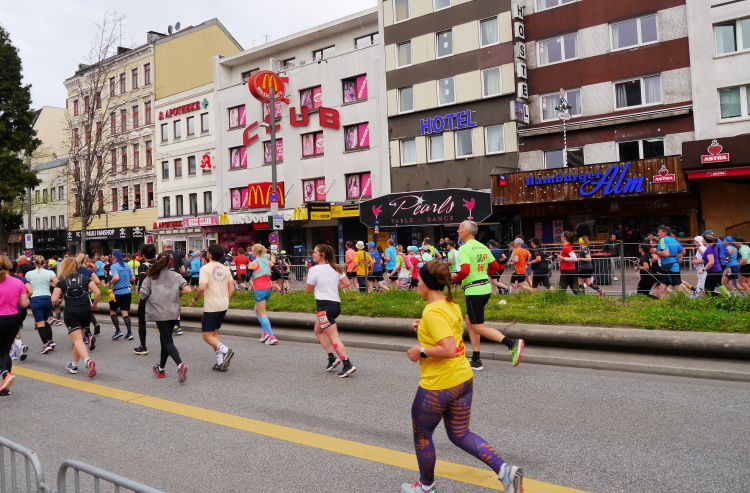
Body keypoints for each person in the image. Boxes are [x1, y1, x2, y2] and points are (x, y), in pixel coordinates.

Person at [401, 260, 523, 493]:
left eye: (419, 280)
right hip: (462, 380)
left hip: (439, 385)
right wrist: (423, 327)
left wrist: (421, 351)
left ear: (427, 283)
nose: (417, 283)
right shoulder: (450, 304)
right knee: (460, 434)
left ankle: (426, 487)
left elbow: (447, 349)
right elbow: (447, 332)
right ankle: (505, 472)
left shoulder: (432, 311)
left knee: (422, 435)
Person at [454, 221, 524, 371]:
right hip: (485, 288)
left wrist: (453, 279)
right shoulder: (483, 246)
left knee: (478, 326)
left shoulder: (464, 248)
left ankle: (512, 344)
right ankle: (476, 359)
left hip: (474, 290)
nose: (458, 230)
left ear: (467, 231)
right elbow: (495, 266)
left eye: (460, 228)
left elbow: (465, 271)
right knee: (470, 322)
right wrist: (482, 275)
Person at [305, 244, 356, 377]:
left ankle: (347, 364)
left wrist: (321, 286)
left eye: (315, 252)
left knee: (334, 337)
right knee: (318, 331)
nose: (313, 254)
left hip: (324, 308)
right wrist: (332, 286)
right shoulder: (335, 268)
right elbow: (346, 283)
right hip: (335, 306)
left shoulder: (314, 270)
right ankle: (331, 357)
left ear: (322, 255)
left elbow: (308, 290)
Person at [139, 253, 191, 383]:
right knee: (165, 340)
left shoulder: (151, 276)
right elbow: (188, 290)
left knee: (167, 341)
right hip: (174, 312)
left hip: (159, 312)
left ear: (157, 261)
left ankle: (180, 365)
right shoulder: (176, 275)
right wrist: (174, 292)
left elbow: (142, 295)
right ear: (170, 263)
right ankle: (161, 369)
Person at [191, 244, 236, 371]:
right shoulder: (225, 269)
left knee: (207, 335)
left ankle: (226, 350)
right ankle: (220, 363)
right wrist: (225, 298)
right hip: (224, 304)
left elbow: (201, 288)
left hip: (212, 305)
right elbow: (232, 288)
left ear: (210, 254)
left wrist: (195, 298)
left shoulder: (205, 269)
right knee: (214, 334)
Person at [51, 258, 99, 378]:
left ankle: (87, 361)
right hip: (85, 310)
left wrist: (59, 300)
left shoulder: (62, 282)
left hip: (71, 311)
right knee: (79, 340)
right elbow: (97, 292)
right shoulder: (85, 279)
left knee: (77, 340)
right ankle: (74, 364)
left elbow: (54, 299)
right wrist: (94, 305)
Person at [0, 256, 30, 396]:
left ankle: (5, 374)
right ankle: (5, 388)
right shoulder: (17, 282)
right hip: (13, 318)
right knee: (5, 351)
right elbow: (24, 304)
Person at [25, 255, 59, 354]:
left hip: (36, 298)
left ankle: (46, 344)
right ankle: (51, 341)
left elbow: (26, 286)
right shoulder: (50, 272)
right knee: (45, 321)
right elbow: (58, 283)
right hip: (47, 298)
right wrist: (50, 284)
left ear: (34, 263)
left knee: (40, 323)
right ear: (44, 263)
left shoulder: (29, 274)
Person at [248, 243, 278, 345]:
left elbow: (246, 278)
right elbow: (277, 273)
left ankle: (271, 336)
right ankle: (265, 332)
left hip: (259, 288)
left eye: (252, 251)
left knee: (262, 312)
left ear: (256, 252)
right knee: (257, 310)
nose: (251, 253)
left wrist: (251, 277)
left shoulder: (253, 263)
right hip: (268, 288)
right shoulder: (268, 261)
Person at [106, 249, 135, 341]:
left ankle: (118, 331)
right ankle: (129, 332)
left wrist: (109, 283)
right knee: (125, 312)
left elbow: (116, 277)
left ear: (114, 256)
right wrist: (126, 281)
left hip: (117, 292)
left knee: (113, 311)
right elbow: (133, 278)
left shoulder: (114, 266)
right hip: (127, 291)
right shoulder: (127, 265)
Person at [134, 244, 157, 355]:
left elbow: (143, 281)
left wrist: (139, 289)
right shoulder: (158, 264)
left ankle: (143, 346)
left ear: (143, 255)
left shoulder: (142, 266)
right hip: (160, 295)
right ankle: (167, 344)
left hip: (146, 297)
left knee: (142, 321)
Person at [160, 239, 186, 335]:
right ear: (172, 246)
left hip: (164, 282)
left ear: (164, 246)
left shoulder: (161, 255)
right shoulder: (177, 255)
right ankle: (177, 326)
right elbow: (183, 270)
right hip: (176, 282)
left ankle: (168, 325)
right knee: (176, 304)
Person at [75, 254, 101, 347]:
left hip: (73, 296)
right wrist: (90, 286)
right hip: (85, 295)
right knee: (86, 315)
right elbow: (97, 281)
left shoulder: (71, 271)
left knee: (77, 318)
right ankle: (88, 334)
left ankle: (85, 336)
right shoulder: (88, 271)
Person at [8, 261, 32, 362]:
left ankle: (19, 345)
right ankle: (14, 352)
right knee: (16, 329)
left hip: (10, 308)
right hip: (21, 309)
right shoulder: (22, 279)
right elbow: (30, 291)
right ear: (17, 269)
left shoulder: (5, 280)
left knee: (9, 332)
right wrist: (24, 299)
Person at [656, 226, 688, 295]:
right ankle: (662, 301)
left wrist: (657, 252)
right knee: (663, 288)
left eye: (659, 232)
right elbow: (683, 252)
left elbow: (666, 253)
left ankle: (686, 299)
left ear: (664, 233)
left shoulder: (663, 240)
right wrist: (674, 256)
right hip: (672, 265)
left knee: (678, 288)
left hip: (670, 267)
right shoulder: (674, 240)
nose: (657, 234)